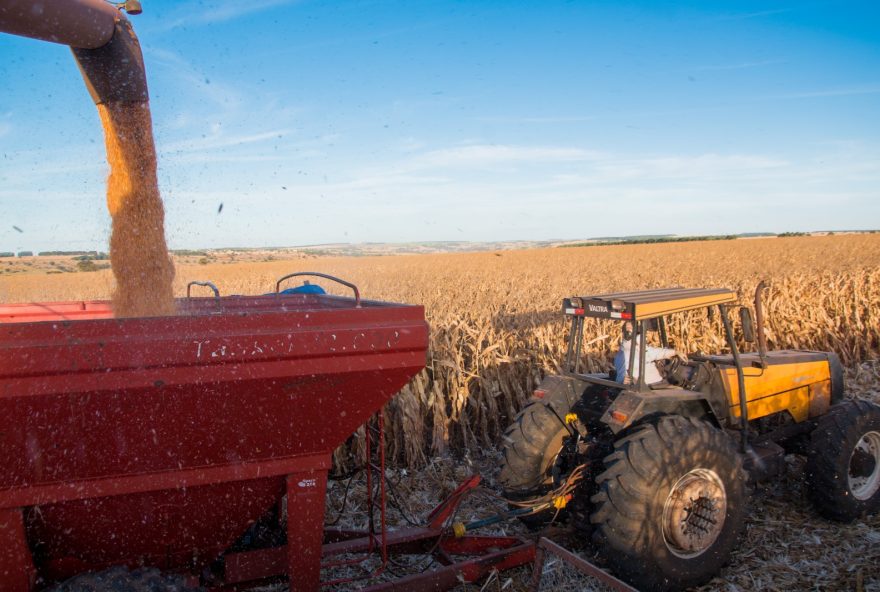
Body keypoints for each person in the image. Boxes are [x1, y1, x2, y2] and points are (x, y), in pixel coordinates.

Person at [613, 321, 679, 385]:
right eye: (627, 328)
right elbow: (621, 372)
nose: (628, 330)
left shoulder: (639, 347)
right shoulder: (624, 352)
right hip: (648, 387)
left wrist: (674, 352)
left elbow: (655, 353)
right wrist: (622, 379)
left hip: (657, 383)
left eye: (630, 328)